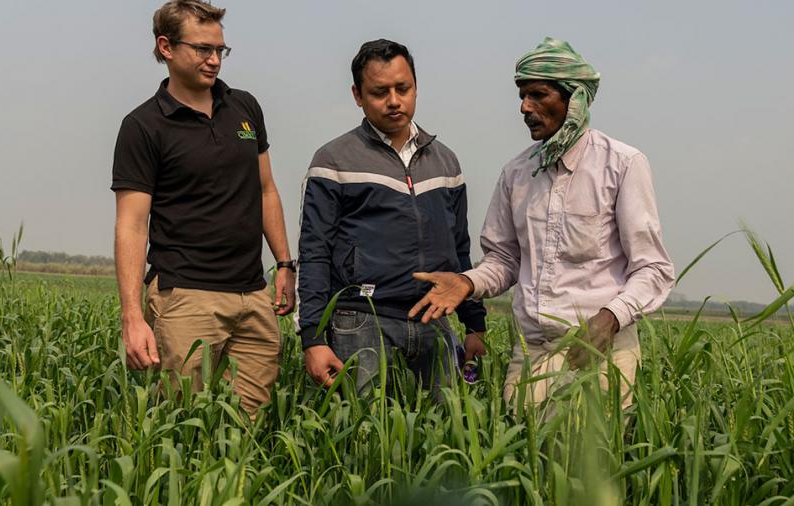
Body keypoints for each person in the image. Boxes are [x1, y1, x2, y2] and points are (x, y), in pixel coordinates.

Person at [410, 37, 674, 409]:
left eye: (537, 94)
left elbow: (653, 268)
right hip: (532, 354)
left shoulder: (622, 165)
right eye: (521, 95)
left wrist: (609, 319)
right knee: (526, 461)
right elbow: (504, 261)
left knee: (592, 464)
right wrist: (467, 282)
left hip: (600, 353)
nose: (524, 107)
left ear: (574, 98)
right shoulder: (517, 173)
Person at [111, 0, 295, 417]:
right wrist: (132, 316)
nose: (215, 61)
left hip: (253, 296)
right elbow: (132, 224)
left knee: (249, 426)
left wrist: (284, 263)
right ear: (166, 47)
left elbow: (266, 189)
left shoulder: (245, 107)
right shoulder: (143, 126)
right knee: (184, 424)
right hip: (186, 298)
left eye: (221, 50)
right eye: (203, 49)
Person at [297, 39, 488, 390]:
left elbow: (459, 247)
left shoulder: (445, 160)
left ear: (416, 86)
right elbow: (314, 252)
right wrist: (312, 337)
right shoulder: (334, 160)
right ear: (358, 95)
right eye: (379, 92)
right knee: (364, 435)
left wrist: (475, 324)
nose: (394, 101)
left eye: (403, 88)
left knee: (446, 433)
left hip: (434, 318)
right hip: (360, 320)